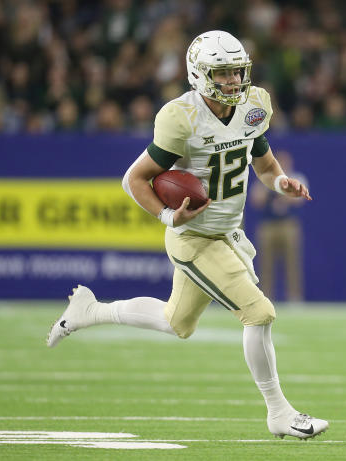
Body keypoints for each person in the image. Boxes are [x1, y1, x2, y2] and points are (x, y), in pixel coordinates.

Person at [46, 30, 328, 440]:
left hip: (229, 233)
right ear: (199, 74)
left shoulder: (253, 104)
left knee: (176, 322)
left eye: (237, 71)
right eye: (223, 73)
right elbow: (135, 179)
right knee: (259, 313)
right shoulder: (182, 118)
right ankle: (279, 412)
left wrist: (280, 181)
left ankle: (91, 311)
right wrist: (167, 215)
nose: (233, 81)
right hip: (194, 237)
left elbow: (262, 163)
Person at [250, 150, 306, 301]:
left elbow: (299, 199)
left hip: (288, 225)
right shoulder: (267, 178)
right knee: (266, 264)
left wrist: (283, 193)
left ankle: (294, 297)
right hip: (268, 225)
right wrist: (274, 186)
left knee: (292, 263)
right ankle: (266, 297)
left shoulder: (296, 178)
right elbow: (256, 199)